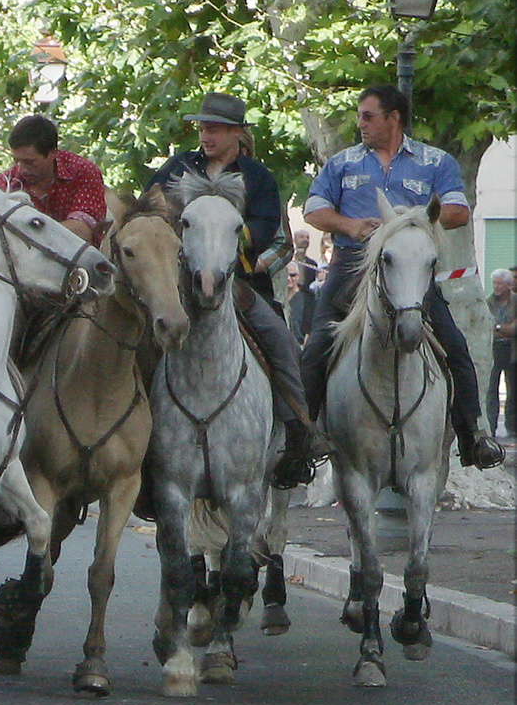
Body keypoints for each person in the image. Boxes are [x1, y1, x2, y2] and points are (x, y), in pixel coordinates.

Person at [299, 83, 504, 470]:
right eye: (360, 116)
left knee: (454, 345)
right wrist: (351, 224)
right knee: (317, 345)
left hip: (411, 268)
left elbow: (458, 211)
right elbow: (314, 210)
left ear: (394, 119)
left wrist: (408, 225)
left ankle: (472, 435)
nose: (360, 123)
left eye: (368, 116)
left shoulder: (435, 161)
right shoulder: (342, 163)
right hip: (353, 264)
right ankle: (302, 437)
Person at [147, 91, 326, 487]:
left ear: (235, 133)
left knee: (278, 337)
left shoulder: (258, 178)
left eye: (213, 128)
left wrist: (230, 239)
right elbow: (150, 206)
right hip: (178, 280)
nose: (205, 135)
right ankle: (132, 430)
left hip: (241, 281)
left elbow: (263, 228)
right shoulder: (177, 169)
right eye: (202, 127)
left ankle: (299, 427)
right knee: (139, 338)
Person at [0, 114, 105, 242]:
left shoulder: (83, 172)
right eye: (16, 161)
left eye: (30, 162)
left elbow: (82, 231)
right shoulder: (5, 183)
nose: (21, 169)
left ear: (52, 153)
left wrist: (26, 232)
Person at [488, 268, 515, 437]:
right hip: (493, 350)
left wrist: (498, 327)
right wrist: (504, 328)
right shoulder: (487, 302)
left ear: (508, 285)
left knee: (513, 389)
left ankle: (512, 426)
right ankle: (491, 426)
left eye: (499, 283)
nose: (496, 286)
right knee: (491, 390)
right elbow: (486, 327)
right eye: (494, 283)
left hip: (512, 350)